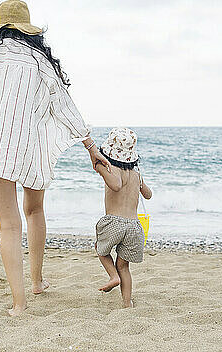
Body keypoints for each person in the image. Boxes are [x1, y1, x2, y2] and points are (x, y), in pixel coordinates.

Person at [0, 0, 111, 316]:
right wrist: (90, 147)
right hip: (28, 146)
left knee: (9, 225)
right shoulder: (37, 59)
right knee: (34, 209)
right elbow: (64, 105)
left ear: (0, 28)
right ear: (28, 29)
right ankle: (37, 281)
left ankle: (19, 304)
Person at [93, 127, 152, 308]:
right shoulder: (136, 174)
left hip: (114, 223)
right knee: (124, 265)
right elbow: (148, 195)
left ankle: (112, 276)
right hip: (134, 226)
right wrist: (140, 183)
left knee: (100, 249)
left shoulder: (111, 170)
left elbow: (116, 185)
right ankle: (127, 303)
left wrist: (99, 168)